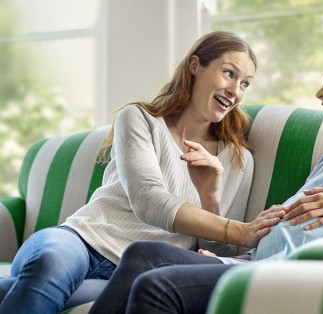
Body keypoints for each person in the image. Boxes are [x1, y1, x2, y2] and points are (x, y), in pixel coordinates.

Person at [89, 26, 323, 314]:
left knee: (158, 287)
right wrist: (231, 257)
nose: (320, 94)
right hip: (253, 262)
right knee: (143, 255)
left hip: (285, 273)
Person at [0, 31, 285, 314]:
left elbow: (217, 257)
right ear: (195, 66)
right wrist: (239, 230)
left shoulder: (237, 161)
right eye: (228, 73)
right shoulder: (140, 120)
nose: (236, 91)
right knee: (49, 266)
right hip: (79, 240)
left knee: (30, 293)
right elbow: (148, 200)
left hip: (131, 273)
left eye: (245, 83)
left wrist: (210, 196)